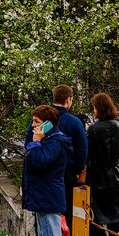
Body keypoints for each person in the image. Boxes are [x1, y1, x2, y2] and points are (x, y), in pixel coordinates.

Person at [24, 105, 73, 236]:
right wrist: (35, 140)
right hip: (42, 195)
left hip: (48, 196)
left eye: (36, 122)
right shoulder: (48, 139)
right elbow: (30, 150)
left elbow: (38, 162)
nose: (32, 126)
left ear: (47, 124)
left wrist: (36, 142)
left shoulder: (55, 143)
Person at [25, 84, 88, 220]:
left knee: (45, 218)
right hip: (68, 174)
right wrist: (77, 170)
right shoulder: (75, 122)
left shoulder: (39, 120)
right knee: (67, 216)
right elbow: (82, 150)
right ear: (68, 100)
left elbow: (28, 144)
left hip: (43, 175)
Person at [85, 92, 119, 236]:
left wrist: (87, 133)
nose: (93, 110)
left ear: (99, 108)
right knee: (115, 207)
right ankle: (118, 233)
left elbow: (89, 153)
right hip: (117, 171)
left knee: (97, 208)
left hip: (98, 173)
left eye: (94, 107)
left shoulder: (94, 129)